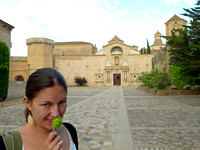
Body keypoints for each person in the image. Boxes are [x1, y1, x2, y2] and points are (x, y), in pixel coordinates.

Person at [0, 68, 78, 150]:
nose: (56, 114)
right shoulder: (5, 145)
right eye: (46, 104)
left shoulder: (69, 131)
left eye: (62, 102)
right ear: (28, 103)